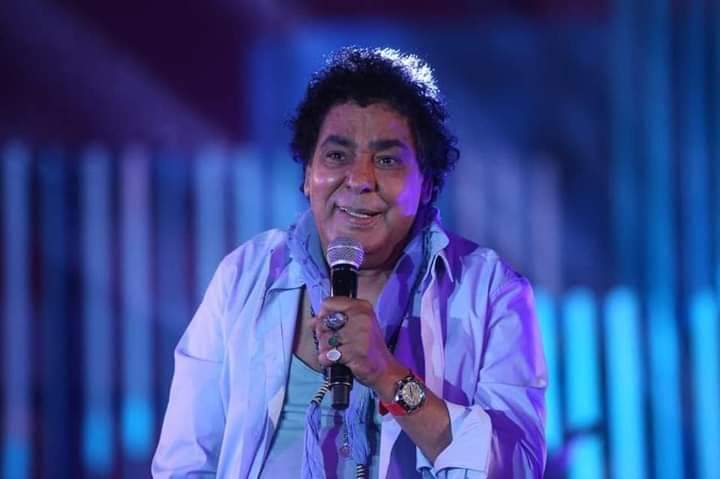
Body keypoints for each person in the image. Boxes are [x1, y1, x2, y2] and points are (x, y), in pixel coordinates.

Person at [152, 47, 547, 478]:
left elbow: (517, 468)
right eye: (337, 156)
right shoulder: (247, 274)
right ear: (307, 175)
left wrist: (389, 376)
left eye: (386, 160)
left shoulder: (491, 291)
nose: (359, 180)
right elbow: (184, 464)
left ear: (429, 184)